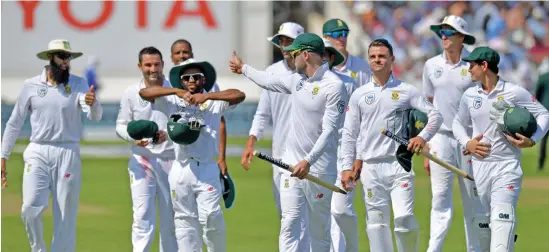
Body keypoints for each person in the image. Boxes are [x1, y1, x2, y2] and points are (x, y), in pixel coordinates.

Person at [230, 33, 348, 252]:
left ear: (305, 54)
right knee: (289, 223)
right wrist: (243, 68)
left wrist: (308, 161)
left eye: (294, 54)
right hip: (290, 165)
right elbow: (268, 80)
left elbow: (329, 131)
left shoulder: (334, 86)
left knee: (319, 231)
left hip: (319, 170)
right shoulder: (297, 80)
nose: (290, 58)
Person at [340, 39, 443, 252]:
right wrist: (346, 167)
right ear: (369, 59)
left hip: (399, 165)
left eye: (382, 56)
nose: (377, 60)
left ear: (392, 59)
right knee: (377, 224)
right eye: (373, 56)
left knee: (404, 220)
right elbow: (350, 134)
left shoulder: (406, 90)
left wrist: (422, 138)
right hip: (370, 167)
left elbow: (435, 115)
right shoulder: (359, 94)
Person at [0, 39, 103, 251]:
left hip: (68, 151)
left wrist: (94, 104)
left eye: (68, 57)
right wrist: (4, 156)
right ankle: (38, 248)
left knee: (65, 215)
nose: (66, 62)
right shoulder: (31, 85)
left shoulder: (78, 83)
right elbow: (14, 122)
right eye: (61, 56)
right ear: (50, 57)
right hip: (38, 150)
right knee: (30, 207)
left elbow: (94, 116)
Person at [139, 59, 245, 251]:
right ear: (181, 81)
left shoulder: (214, 103)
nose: (191, 80)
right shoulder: (173, 101)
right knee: (184, 221)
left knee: (212, 216)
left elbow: (239, 95)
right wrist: (176, 92)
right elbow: (145, 93)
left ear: (204, 80)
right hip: (180, 168)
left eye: (196, 77)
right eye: (186, 78)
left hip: (206, 168)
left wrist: (208, 97)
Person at [453, 46, 549, 252]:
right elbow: (457, 124)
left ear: (484, 66)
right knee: (484, 232)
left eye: (472, 65)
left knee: (502, 225)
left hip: (507, 168)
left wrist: (532, 140)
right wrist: (467, 142)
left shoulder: (513, 92)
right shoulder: (469, 95)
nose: (468, 69)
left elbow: (544, 114)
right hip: (478, 170)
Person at [240, 22, 311, 250]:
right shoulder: (272, 73)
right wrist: (251, 141)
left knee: (308, 220)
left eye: (289, 41)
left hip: (309, 158)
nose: (284, 45)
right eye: (281, 41)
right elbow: (263, 114)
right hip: (280, 157)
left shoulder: (316, 75)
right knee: (287, 218)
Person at [422, 15, 481, 252]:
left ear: (462, 37)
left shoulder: (474, 65)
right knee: (439, 199)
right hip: (440, 138)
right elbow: (427, 104)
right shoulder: (431, 65)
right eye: (442, 32)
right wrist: (426, 144)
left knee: (472, 201)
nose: (444, 36)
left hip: (468, 140)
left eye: (449, 32)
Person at [115, 46, 178, 252]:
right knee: (142, 215)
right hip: (142, 160)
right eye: (148, 65)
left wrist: (167, 134)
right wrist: (133, 138)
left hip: (171, 160)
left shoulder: (175, 90)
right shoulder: (131, 93)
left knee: (171, 220)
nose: (153, 69)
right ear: (140, 66)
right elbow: (121, 125)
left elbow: (185, 122)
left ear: (163, 65)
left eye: (156, 64)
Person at [321, 19, 371, 252]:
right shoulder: (313, 76)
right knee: (321, 211)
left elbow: (366, 113)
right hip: (321, 151)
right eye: (335, 33)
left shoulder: (360, 69)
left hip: (348, 149)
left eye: (344, 32)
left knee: (340, 209)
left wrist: (359, 154)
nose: (342, 36)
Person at [170, 39, 230, 177]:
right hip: (170, 155)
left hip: (201, 154)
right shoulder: (167, 85)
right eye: (177, 52)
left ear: (192, 53)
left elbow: (220, 121)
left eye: (185, 52)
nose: (182, 55)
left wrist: (221, 158)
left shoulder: (207, 85)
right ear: (171, 57)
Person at [535, 70, 549, 170]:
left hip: (545, 111)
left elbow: (537, 95)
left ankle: (541, 163)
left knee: (543, 138)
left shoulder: (543, 77)